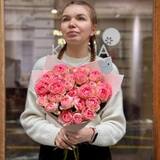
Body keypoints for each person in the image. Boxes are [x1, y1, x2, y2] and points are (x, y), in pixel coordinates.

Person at [20, 1, 126, 160]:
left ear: (93, 29)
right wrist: (56, 135)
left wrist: (90, 134)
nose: (72, 24)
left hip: (95, 151)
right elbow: (31, 117)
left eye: (80, 18)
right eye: (65, 19)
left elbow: (116, 123)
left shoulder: (107, 67)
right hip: (53, 149)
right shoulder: (43, 65)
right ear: (60, 27)